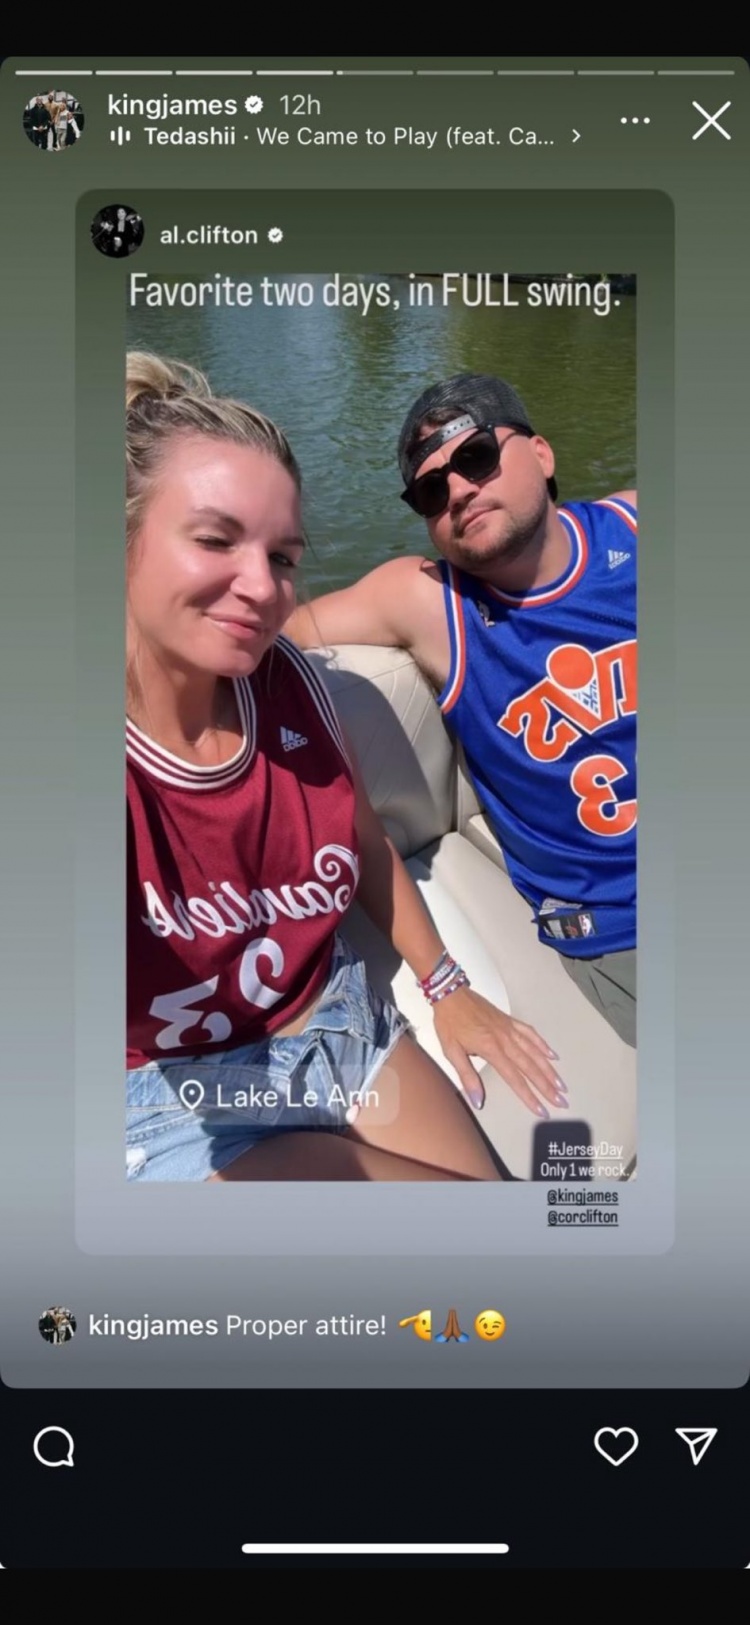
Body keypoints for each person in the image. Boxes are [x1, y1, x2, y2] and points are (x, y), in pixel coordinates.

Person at [125, 355, 564, 1184]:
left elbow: (359, 838)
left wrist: (445, 985)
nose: (264, 588)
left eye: (284, 558)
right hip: (167, 1094)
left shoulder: (285, 682)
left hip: (335, 1020)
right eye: (215, 539)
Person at [286, 374, 637, 1047]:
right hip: (624, 921)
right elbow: (259, 627)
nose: (457, 491)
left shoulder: (637, 527)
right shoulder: (429, 602)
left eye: (476, 457)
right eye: (430, 490)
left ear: (541, 453)